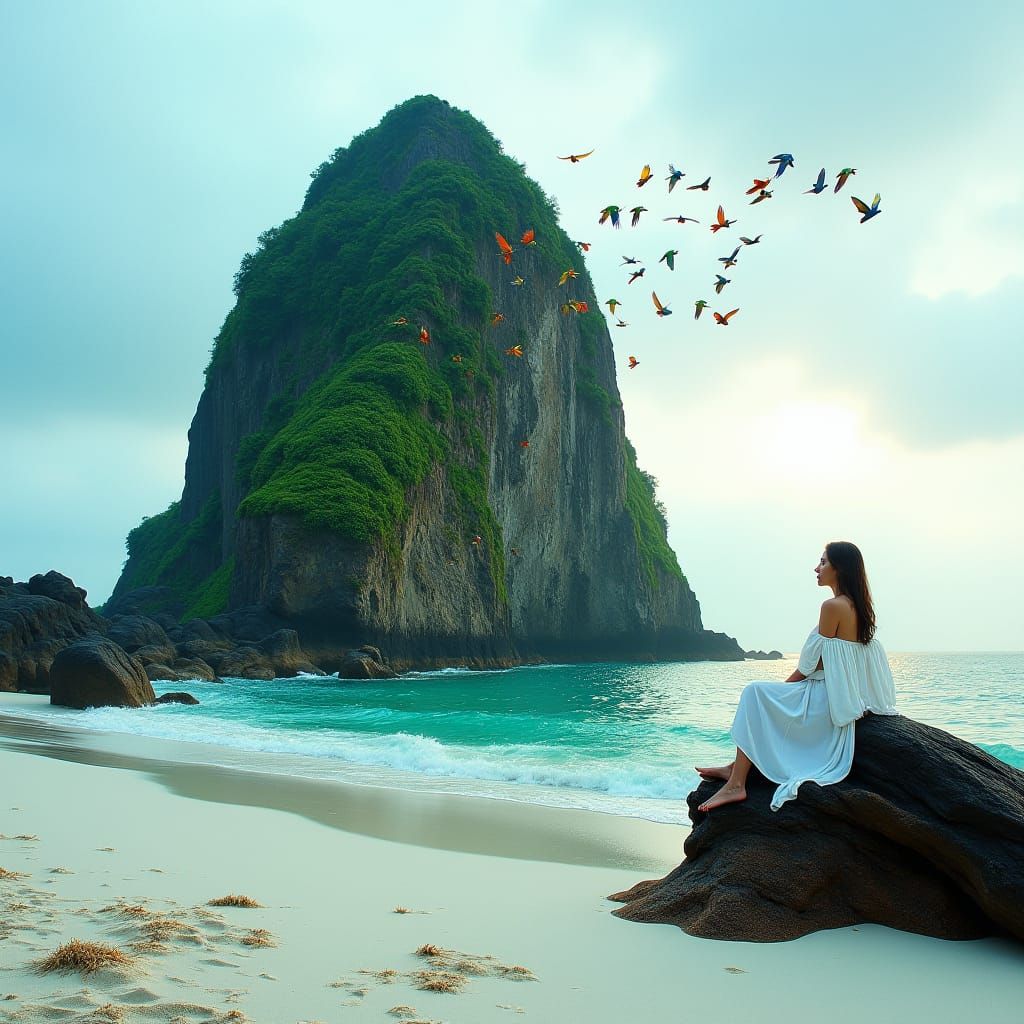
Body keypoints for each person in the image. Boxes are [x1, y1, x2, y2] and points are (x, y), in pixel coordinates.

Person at [694, 541, 899, 812]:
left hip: (823, 698)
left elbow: (809, 666)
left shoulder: (832, 607)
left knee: (755, 693)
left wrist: (782, 690)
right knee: (760, 696)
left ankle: (736, 784)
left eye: (823, 562)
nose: (817, 568)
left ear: (839, 568)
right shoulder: (858, 607)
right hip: (835, 696)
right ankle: (734, 769)